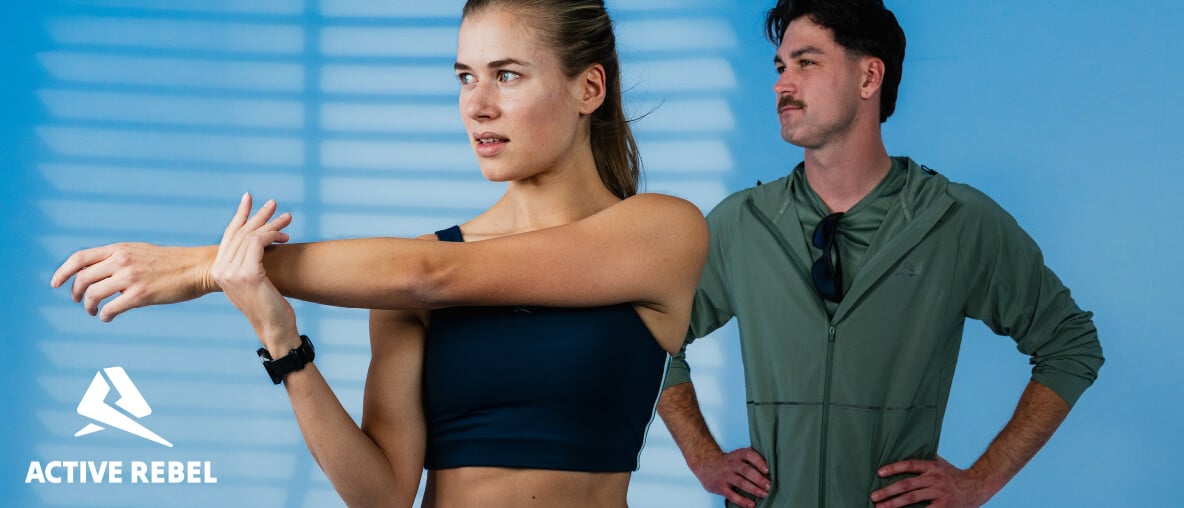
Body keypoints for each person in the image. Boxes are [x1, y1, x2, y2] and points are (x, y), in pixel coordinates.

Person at [49, 1, 707, 507]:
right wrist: (281, 340)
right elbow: (382, 495)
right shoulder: (401, 274)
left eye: (507, 76)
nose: (477, 106)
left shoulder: (661, 232)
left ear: (589, 88)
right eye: (465, 78)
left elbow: (434, 277)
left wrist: (199, 267)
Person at [656, 1, 1104, 507]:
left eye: (807, 63)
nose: (782, 85)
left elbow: (1071, 344)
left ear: (869, 77)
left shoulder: (954, 222)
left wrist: (979, 482)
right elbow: (653, 338)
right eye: (780, 67)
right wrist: (704, 459)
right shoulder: (742, 224)